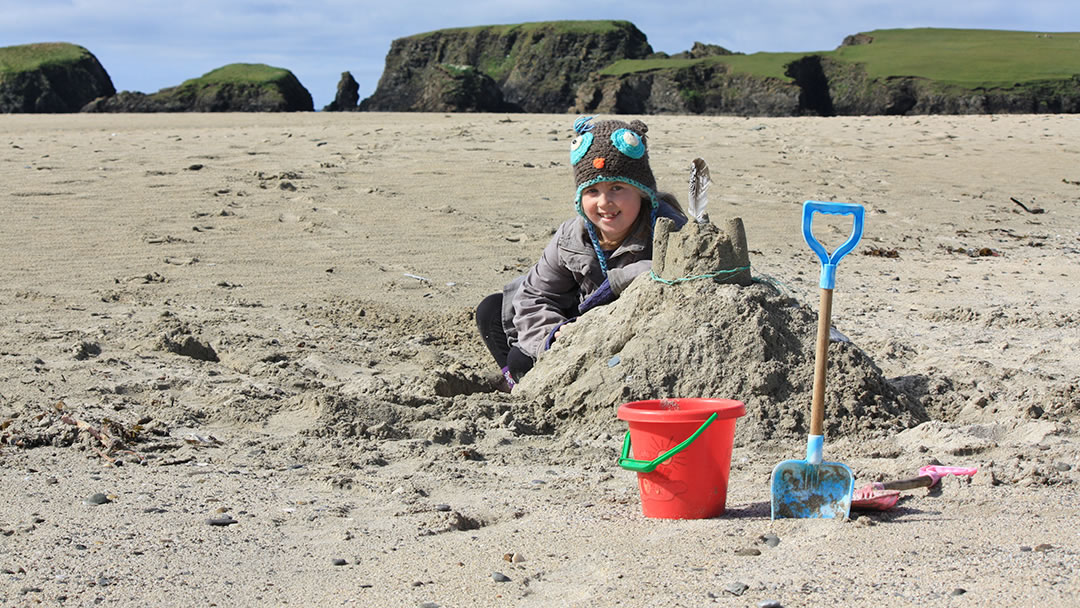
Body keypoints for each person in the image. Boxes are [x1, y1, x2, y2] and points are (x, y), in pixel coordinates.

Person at [475, 116, 687, 389]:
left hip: (626, 335)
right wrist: (555, 334)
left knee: (522, 359)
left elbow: (689, 277)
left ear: (643, 193)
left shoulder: (670, 231)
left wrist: (619, 280)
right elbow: (534, 295)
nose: (604, 203)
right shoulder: (572, 236)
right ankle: (515, 384)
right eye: (592, 191)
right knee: (493, 312)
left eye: (617, 188)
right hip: (577, 319)